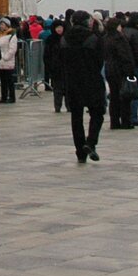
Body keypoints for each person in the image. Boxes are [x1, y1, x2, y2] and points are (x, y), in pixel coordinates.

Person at [61, 10, 105, 163]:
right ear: (87, 22)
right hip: (91, 79)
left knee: (76, 117)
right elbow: (100, 60)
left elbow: (62, 60)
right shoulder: (93, 38)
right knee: (97, 112)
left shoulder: (65, 39)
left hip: (73, 81)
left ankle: (80, 151)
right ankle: (91, 142)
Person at [122, 12, 138, 125]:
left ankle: (125, 116)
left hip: (123, 65)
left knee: (125, 91)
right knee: (134, 92)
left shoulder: (123, 31)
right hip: (135, 66)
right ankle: (133, 116)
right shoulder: (136, 33)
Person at [43, 19, 66, 112]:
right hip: (55, 68)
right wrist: (49, 66)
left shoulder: (66, 38)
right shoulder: (50, 39)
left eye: (61, 27)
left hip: (66, 67)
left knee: (67, 88)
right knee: (57, 89)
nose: (59, 29)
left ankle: (69, 106)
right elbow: (46, 55)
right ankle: (57, 106)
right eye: (57, 27)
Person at [0, 18, 19, 104]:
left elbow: (12, 49)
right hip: (0, 61)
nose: (1, 26)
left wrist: (5, 57)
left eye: (3, 24)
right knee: (3, 80)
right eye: (0, 25)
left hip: (7, 60)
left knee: (9, 80)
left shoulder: (12, 35)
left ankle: (12, 97)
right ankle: (4, 96)